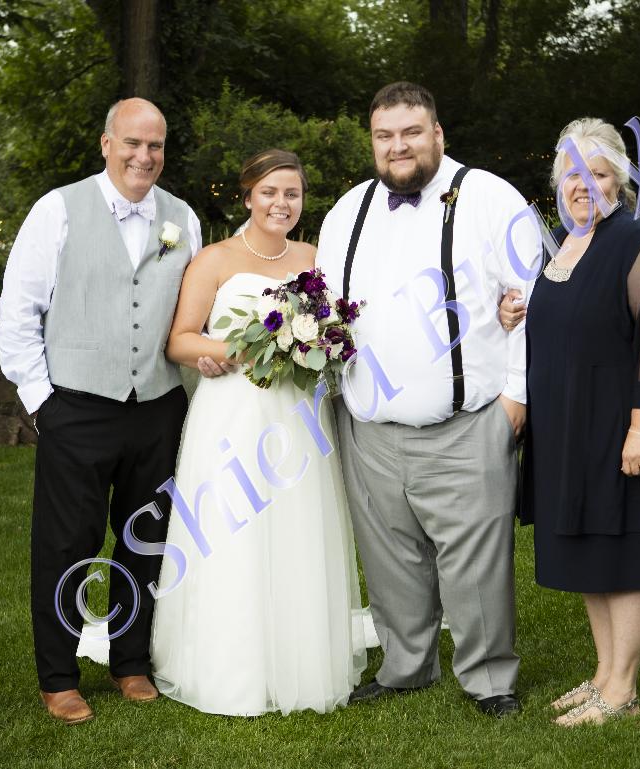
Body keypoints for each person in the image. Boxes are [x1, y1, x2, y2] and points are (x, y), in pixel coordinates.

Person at [315, 82, 540, 717]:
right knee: (390, 559)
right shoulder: (348, 210)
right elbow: (326, 304)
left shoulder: (489, 197)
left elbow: (533, 301)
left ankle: (490, 678)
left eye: (412, 132)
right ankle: (405, 665)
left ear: (437, 133)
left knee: (475, 563)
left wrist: (516, 397)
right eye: (384, 136)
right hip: (369, 427)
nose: (398, 146)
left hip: (466, 424)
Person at [0, 98, 203, 724]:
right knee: (67, 544)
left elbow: (193, 313)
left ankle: (130, 662)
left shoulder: (183, 218)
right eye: (132, 143)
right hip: (77, 407)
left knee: (146, 543)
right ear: (107, 144)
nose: (145, 156)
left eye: (155, 145)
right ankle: (58, 677)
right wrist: (44, 403)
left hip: (158, 407)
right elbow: (19, 312)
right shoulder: (57, 210)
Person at [149, 149, 367, 716]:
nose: (280, 203)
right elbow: (180, 339)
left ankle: (300, 660)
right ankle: (231, 667)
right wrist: (231, 350)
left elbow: (337, 328)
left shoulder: (314, 258)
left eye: (292, 194)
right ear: (247, 196)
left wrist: (320, 342)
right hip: (233, 414)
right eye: (269, 192)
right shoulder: (214, 259)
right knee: (233, 534)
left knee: (299, 527)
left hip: (297, 414)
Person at [507, 117, 640, 725]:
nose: (582, 185)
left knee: (626, 557)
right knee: (592, 555)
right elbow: (563, 323)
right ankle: (602, 676)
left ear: (620, 180)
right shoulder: (566, 245)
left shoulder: (638, 242)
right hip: (569, 432)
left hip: (621, 429)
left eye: (597, 173)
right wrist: (514, 312)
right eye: (571, 174)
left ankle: (622, 692)